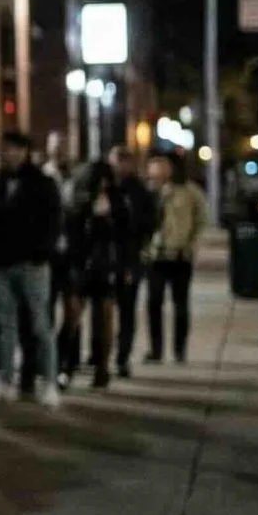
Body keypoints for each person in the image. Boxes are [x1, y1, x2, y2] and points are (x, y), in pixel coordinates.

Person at [0, 131, 63, 408]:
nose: (7, 154)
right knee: (5, 325)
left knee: (40, 325)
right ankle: (6, 380)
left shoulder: (42, 183)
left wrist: (42, 253)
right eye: (4, 149)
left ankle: (49, 381)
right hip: (2, 264)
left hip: (32, 263)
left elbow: (54, 221)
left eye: (12, 149)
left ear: (24, 151)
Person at [63, 161, 133, 392]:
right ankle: (66, 365)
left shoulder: (118, 202)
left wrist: (125, 267)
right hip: (82, 266)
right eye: (98, 179)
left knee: (105, 319)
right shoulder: (80, 203)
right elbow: (71, 233)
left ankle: (102, 368)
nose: (103, 184)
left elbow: (125, 237)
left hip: (106, 268)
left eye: (106, 179)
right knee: (72, 317)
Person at [143, 153, 207, 365]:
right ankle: (156, 350)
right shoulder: (150, 192)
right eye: (155, 166)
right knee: (153, 303)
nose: (159, 170)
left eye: (163, 166)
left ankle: (179, 350)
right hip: (155, 256)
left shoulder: (190, 191)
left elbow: (201, 221)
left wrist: (191, 246)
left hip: (180, 255)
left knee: (180, 305)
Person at [108, 146, 157, 378]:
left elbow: (147, 225)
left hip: (128, 260)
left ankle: (122, 357)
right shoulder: (104, 187)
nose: (118, 167)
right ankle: (100, 357)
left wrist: (134, 261)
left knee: (126, 312)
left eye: (122, 162)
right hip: (104, 259)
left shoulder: (138, 192)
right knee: (103, 312)